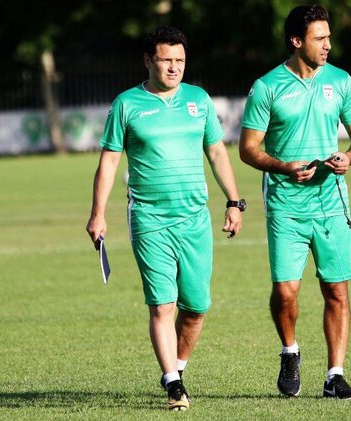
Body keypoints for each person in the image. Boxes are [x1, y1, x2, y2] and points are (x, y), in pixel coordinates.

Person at [86, 26, 245, 411]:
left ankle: (176, 368)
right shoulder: (127, 104)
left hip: (195, 219)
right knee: (162, 304)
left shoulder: (199, 100)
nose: (174, 67)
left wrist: (234, 201)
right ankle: (174, 384)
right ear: (148, 60)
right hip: (149, 217)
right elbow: (109, 162)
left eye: (180, 60)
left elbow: (217, 153)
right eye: (166, 60)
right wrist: (98, 213)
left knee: (196, 308)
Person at [239, 4, 351, 400]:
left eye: (329, 37)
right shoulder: (267, 87)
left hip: (331, 203)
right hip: (285, 205)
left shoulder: (341, 81)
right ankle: (290, 351)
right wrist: (283, 166)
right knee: (286, 292)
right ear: (297, 41)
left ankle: (335, 376)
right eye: (319, 38)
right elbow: (248, 149)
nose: (328, 45)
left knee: (337, 291)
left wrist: (348, 157)